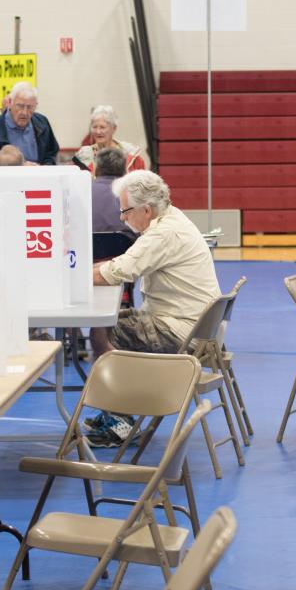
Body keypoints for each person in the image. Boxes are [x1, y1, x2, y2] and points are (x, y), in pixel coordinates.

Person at [88, 170, 221, 447]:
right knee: (111, 324)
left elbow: (116, 271)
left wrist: (69, 275)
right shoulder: (170, 219)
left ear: (146, 210)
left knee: (104, 335)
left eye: (125, 211)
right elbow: (121, 264)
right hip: (195, 326)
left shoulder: (162, 234)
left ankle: (121, 419)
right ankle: (120, 409)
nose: (123, 218)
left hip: (182, 333)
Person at [0, 82, 59, 168]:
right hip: (5, 181)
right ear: (9, 102)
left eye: (30, 107)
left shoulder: (42, 123)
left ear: (36, 105)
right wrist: (18, 168)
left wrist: (45, 168)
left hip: (38, 180)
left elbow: (51, 153)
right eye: (20, 106)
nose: (24, 112)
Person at [73, 105, 145, 175]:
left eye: (102, 127)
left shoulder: (131, 154)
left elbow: (141, 182)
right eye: (94, 127)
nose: (98, 131)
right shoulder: (84, 156)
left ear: (114, 128)